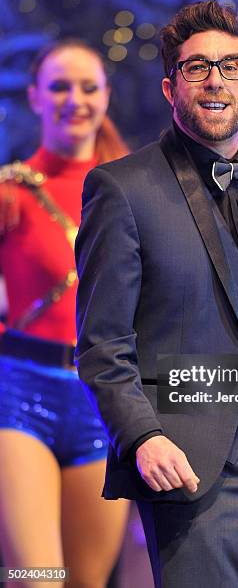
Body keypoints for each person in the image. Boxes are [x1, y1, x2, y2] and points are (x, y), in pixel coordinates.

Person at [75, 1, 238, 588]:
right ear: (171, 86)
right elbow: (100, 345)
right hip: (193, 470)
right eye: (196, 67)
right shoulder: (121, 189)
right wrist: (143, 436)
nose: (215, 78)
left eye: (229, 65)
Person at [0, 40, 129, 588]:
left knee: (84, 583)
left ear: (106, 97)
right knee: (37, 579)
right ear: (34, 97)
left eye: (87, 87)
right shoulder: (8, 193)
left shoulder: (133, 196)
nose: (73, 99)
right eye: (58, 86)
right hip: (18, 398)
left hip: (104, 402)